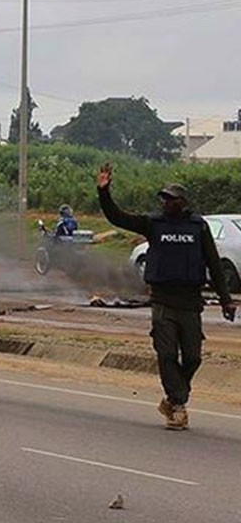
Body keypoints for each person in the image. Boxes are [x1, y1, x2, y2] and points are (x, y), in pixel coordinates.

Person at [96, 162, 236, 430]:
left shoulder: (198, 227)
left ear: (182, 202)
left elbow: (215, 265)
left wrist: (226, 299)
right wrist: (104, 192)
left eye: (170, 199)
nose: (165, 202)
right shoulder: (154, 224)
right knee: (167, 353)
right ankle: (178, 405)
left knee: (193, 357)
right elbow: (117, 217)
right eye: (163, 198)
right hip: (162, 301)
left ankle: (173, 398)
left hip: (191, 302)